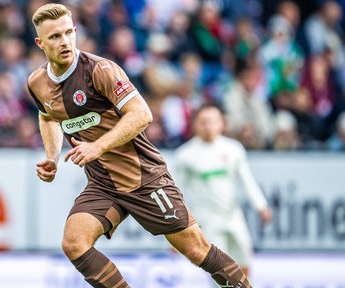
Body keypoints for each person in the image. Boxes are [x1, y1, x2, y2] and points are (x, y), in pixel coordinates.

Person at [27, 3, 252, 287]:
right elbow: (47, 115)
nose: (64, 42)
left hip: (144, 177)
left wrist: (98, 146)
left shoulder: (100, 70)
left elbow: (141, 114)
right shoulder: (37, 82)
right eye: (54, 37)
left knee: (197, 249)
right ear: (40, 43)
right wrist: (52, 156)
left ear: (75, 31)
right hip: (103, 185)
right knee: (74, 243)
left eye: (68, 33)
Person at [173, 103, 273, 278]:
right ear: (195, 124)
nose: (208, 126)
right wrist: (176, 230)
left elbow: (247, 181)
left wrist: (261, 206)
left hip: (233, 216)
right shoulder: (185, 155)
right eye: (203, 122)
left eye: (212, 121)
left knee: (244, 260)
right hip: (207, 220)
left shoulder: (233, 149)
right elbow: (176, 193)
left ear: (222, 123)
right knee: (219, 267)